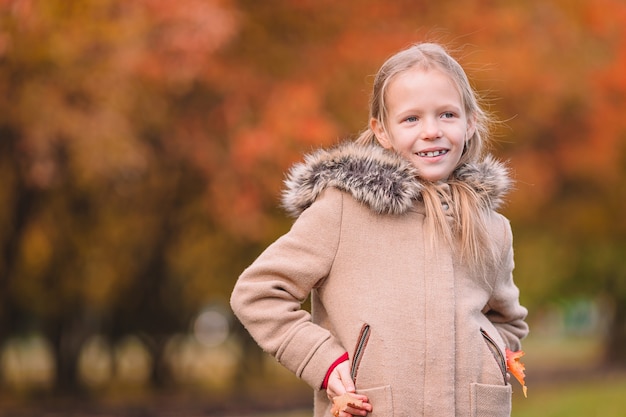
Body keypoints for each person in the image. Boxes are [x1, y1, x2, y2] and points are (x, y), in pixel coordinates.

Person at [230, 42, 529, 417]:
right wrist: (323, 361)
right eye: (411, 119)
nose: (432, 131)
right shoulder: (342, 212)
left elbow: (508, 320)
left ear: (470, 122)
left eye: (447, 114)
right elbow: (257, 293)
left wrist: (489, 363)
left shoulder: (491, 228)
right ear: (382, 131)